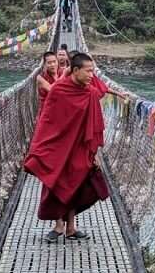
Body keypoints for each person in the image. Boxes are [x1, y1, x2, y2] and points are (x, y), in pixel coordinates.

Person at [24, 53, 125, 243]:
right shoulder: (59, 90)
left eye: (93, 71)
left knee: (76, 185)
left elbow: (94, 123)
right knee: (56, 184)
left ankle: (71, 228)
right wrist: (39, 148)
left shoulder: (89, 92)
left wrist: (93, 152)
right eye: (88, 71)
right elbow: (47, 121)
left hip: (79, 148)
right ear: (75, 70)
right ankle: (58, 225)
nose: (91, 75)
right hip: (59, 148)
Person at [36, 51, 59, 115]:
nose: (52, 65)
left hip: (60, 108)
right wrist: (65, 75)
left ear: (57, 61)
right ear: (44, 64)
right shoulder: (40, 78)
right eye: (49, 63)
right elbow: (52, 89)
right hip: (47, 110)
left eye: (54, 61)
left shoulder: (61, 72)